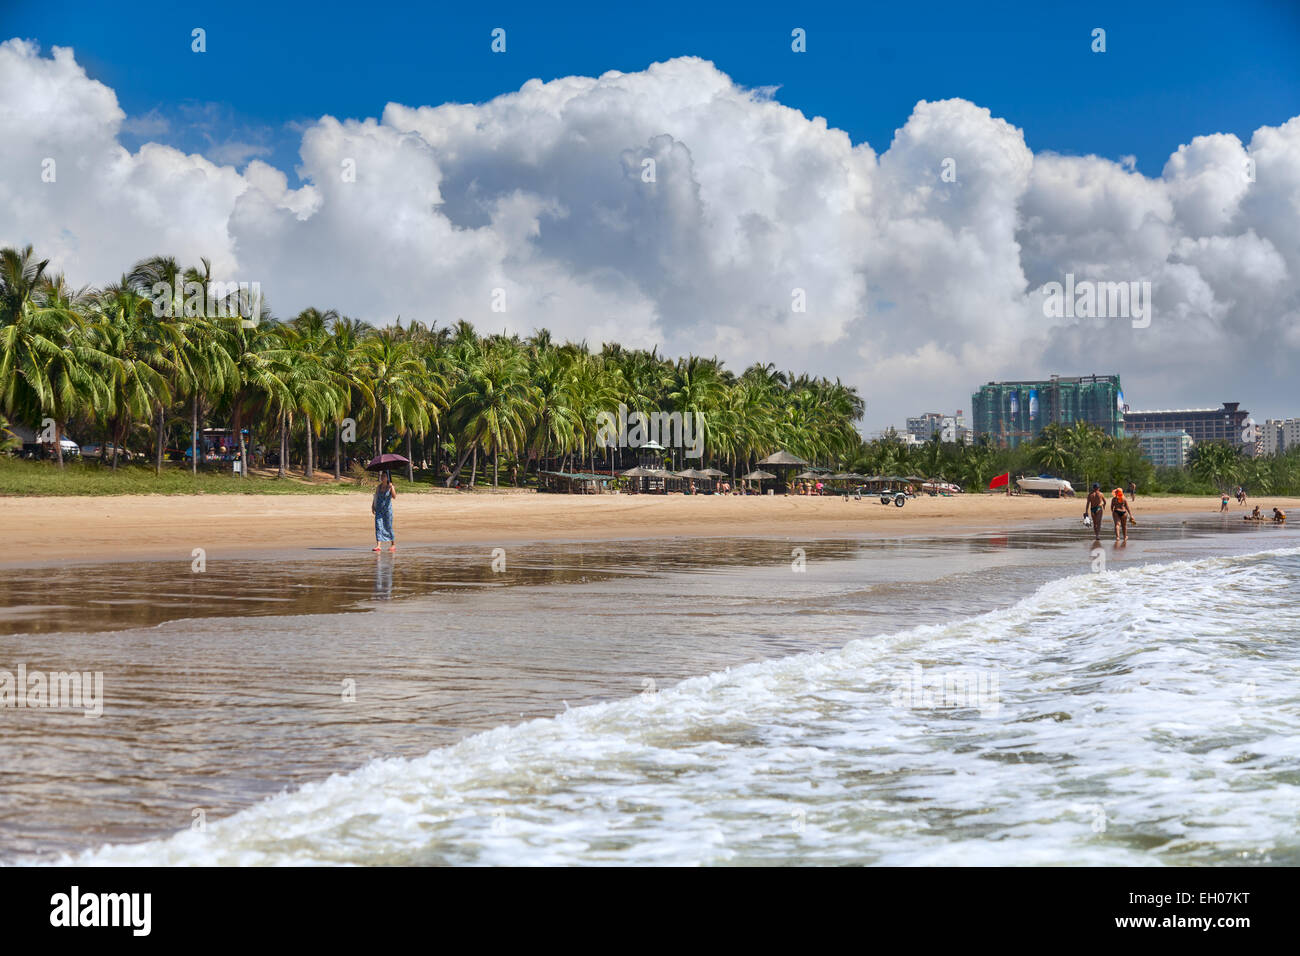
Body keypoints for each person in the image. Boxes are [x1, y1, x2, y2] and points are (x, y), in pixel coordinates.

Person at [372, 471, 396, 552]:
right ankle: (378, 545)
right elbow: (375, 496)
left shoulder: (391, 486)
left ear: (388, 478)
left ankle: (393, 544)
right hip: (379, 509)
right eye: (382, 476)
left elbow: (394, 497)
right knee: (378, 526)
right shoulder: (379, 487)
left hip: (387, 510)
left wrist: (390, 488)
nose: (382, 477)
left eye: (384, 476)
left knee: (388, 526)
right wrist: (372, 506)